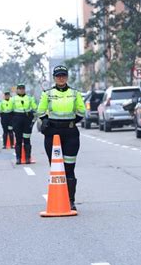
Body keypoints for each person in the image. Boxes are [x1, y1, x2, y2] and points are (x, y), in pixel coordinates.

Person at [37, 65, 86, 210]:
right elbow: (40, 111)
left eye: (63, 75)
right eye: (58, 76)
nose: (61, 78)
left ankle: (70, 201)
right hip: (52, 133)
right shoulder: (47, 94)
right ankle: (58, 198)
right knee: (56, 168)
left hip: (70, 133)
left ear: (67, 77)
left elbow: (82, 110)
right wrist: (46, 120)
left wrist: (72, 122)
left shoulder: (75, 93)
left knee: (69, 167)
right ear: (54, 78)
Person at [12, 84, 37, 164]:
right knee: (18, 140)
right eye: (19, 89)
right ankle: (18, 158)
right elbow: (10, 111)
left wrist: (33, 118)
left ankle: (27, 158)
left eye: (23, 89)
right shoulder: (13, 99)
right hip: (17, 120)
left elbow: (35, 108)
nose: (21, 90)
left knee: (27, 140)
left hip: (27, 120)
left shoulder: (29, 98)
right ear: (17, 90)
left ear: (25, 89)